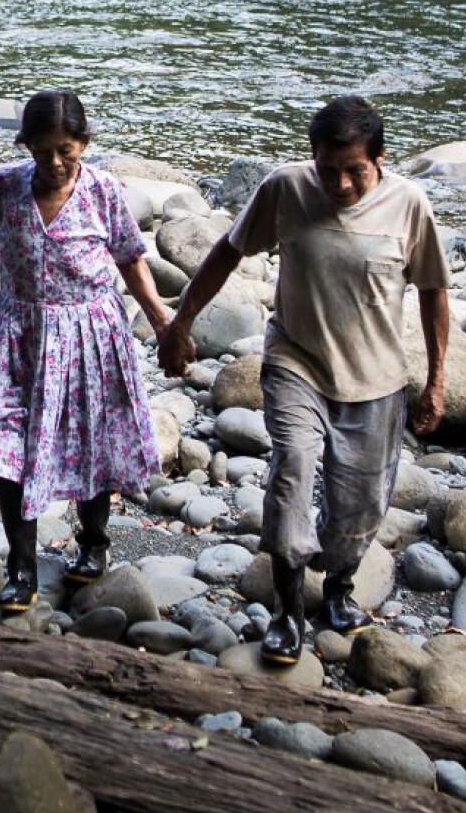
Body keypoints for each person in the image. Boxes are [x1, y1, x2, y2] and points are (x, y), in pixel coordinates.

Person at [159, 94, 450, 665]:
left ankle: (339, 583)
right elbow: (227, 251)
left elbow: (433, 293)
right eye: (328, 169)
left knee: (361, 505)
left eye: (355, 171)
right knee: (292, 471)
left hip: (376, 378)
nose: (340, 185)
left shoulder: (409, 204)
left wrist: (437, 381)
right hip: (296, 363)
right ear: (312, 157)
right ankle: (287, 613)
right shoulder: (286, 189)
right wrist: (182, 320)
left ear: (381, 159)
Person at [0, 91, 172, 614]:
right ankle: (22, 568)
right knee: (2, 444)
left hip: (89, 336)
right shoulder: (5, 187)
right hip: (18, 334)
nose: (56, 163)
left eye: (66, 150)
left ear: (85, 142)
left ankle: (93, 543)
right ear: (27, 148)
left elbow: (130, 258)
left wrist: (161, 320)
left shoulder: (104, 190)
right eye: (43, 152)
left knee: (91, 441)